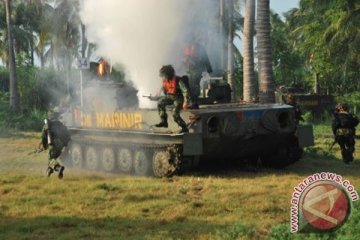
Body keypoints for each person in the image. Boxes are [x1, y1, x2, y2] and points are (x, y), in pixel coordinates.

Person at [155, 65, 190, 133]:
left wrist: (186, 102)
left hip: (178, 98)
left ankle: (184, 128)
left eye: (163, 75)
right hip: (169, 96)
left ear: (168, 74)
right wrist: (155, 97)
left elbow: (185, 91)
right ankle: (164, 121)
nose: (162, 77)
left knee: (175, 114)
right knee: (160, 103)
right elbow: (161, 90)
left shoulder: (178, 80)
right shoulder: (165, 81)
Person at [39, 110, 71, 178]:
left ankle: (58, 168)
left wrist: (44, 146)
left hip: (53, 145)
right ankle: (48, 174)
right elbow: (68, 135)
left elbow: (43, 137)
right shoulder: (61, 125)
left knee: (51, 160)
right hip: (60, 145)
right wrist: (64, 144)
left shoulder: (47, 126)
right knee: (51, 159)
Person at [183, 38, 213, 107]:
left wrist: (209, 70)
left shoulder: (199, 48)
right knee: (190, 85)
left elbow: (205, 58)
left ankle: (194, 101)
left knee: (195, 84)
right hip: (190, 70)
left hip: (198, 69)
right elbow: (184, 59)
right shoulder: (187, 48)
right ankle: (192, 100)